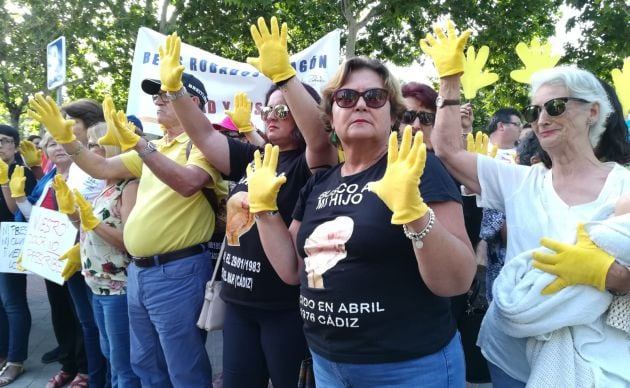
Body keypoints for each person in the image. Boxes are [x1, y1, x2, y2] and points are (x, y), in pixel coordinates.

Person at [423, 20, 630, 386]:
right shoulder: (519, 181)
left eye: (554, 106)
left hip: (602, 362)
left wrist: (611, 275)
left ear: (593, 112)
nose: (542, 118)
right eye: (534, 111)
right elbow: (449, 150)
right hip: (510, 355)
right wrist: (449, 80)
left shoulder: (625, 184)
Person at [249, 56, 476, 386]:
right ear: (330, 116)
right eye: (345, 97)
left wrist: (414, 214)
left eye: (374, 97)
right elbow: (292, 270)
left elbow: (456, 281)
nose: (359, 105)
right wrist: (264, 211)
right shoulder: (318, 183)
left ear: (393, 113)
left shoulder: (418, 168)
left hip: (407, 368)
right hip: (328, 364)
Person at [156, 20, 338, 387]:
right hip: (237, 302)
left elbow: (319, 137)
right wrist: (175, 92)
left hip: (283, 307)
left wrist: (287, 78)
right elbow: (206, 136)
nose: (271, 116)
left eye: (282, 111)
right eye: (267, 110)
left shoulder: (310, 164)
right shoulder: (255, 156)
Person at [28, 84, 227, 386]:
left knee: (182, 363)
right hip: (141, 271)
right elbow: (100, 166)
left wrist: (142, 147)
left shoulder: (200, 144)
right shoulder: (157, 146)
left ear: (192, 101)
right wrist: (69, 140)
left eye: (166, 94)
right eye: (155, 96)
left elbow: (189, 183)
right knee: (144, 361)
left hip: (176, 269)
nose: (157, 101)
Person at [53, 122, 140, 387]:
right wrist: (73, 216)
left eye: (93, 145)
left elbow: (130, 242)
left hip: (119, 288)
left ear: (109, 148)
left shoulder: (130, 185)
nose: (87, 151)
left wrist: (93, 223)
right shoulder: (104, 185)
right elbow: (88, 229)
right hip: (97, 285)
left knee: (123, 364)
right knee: (109, 355)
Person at [11, 133, 93, 388]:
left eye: (63, 142)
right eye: (52, 144)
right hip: (50, 258)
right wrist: (21, 199)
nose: (58, 148)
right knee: (60, 313)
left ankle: (85, 369)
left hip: (77, 257)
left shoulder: (87, 176)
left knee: (82, 316)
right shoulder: (47, 180)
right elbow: (34, 215)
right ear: (45, 150)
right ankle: (68, 364)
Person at [0, 125, 37, 386]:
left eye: (3, 141)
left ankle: (16, 360)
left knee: (12, 302)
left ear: (15, 145)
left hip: (11, 242)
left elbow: (15, 210)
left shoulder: (22, 172)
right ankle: (3, 355)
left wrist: (4, 181)